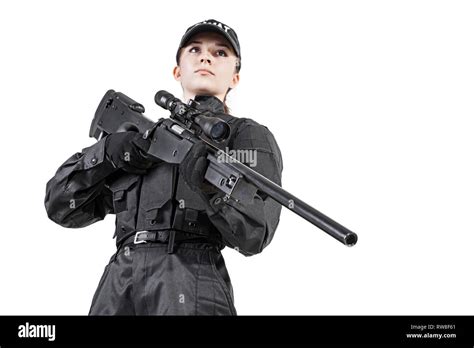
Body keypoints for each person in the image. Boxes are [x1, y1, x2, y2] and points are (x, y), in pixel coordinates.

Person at [44, 19, 283, 315]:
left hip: (192, 277)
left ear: (235, 77)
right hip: (119, 280)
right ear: (177, 70)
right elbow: (61, 206)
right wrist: (109, 151)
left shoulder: (246, 135)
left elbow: (254, 233)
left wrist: (208, 185)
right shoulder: (141, 139)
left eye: (220, 53)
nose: (205, 57)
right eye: (194, 50)